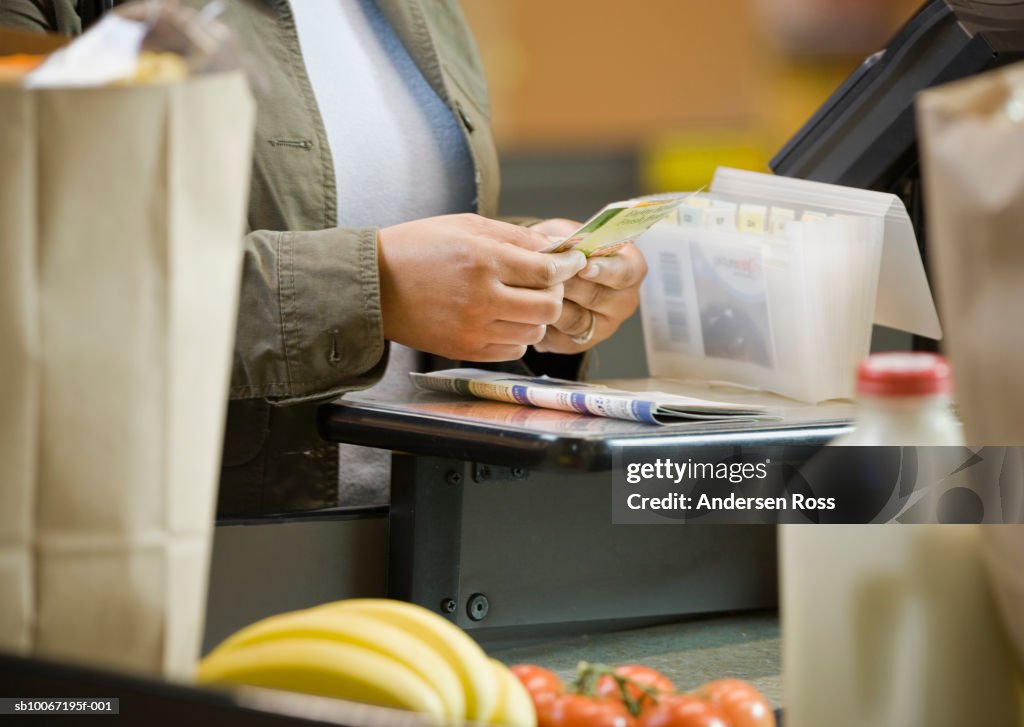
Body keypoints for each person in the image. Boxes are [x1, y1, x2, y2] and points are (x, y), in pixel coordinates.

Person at [1, 0, 649, 514]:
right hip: (185, 550)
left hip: (426, 544)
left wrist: (538, 285)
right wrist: (373, 289)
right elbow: (38, 280)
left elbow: (397, 234)